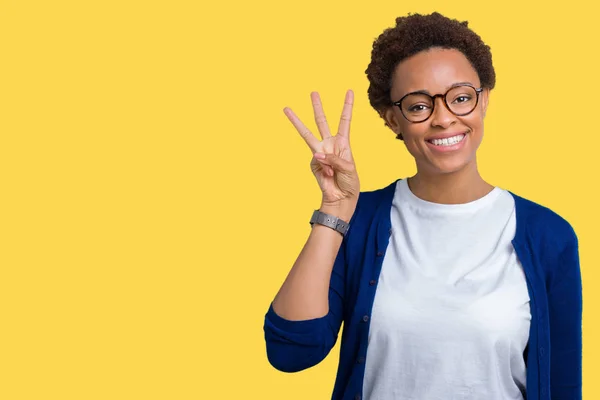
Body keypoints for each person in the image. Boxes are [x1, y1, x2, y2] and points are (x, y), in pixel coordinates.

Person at [263, 12, 582, 400]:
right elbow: (291, 351)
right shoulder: (359, 220)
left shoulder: (549, 235)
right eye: (418, 106)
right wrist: (335, 210)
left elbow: (563, 382)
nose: (444, 118)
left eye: (461, 98)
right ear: (392, 119)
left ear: (484, 102)